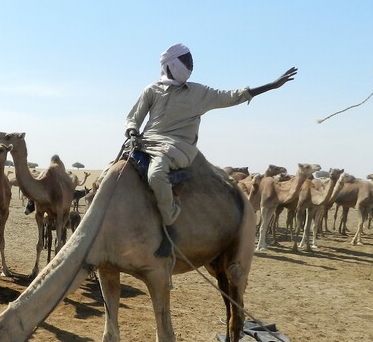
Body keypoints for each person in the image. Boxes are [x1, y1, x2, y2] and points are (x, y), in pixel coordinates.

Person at [124, 43, 297, 254]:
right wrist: (132, 132)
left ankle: (170, 227)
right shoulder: (152, 90)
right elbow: (134, 117)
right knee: (113, 173)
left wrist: (270, 85)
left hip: (176, 146)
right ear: (171, 63)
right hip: (145, 142)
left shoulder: (198, 93)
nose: (191, 66)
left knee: (157, 174)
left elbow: (232, 95)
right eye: (187, 61)